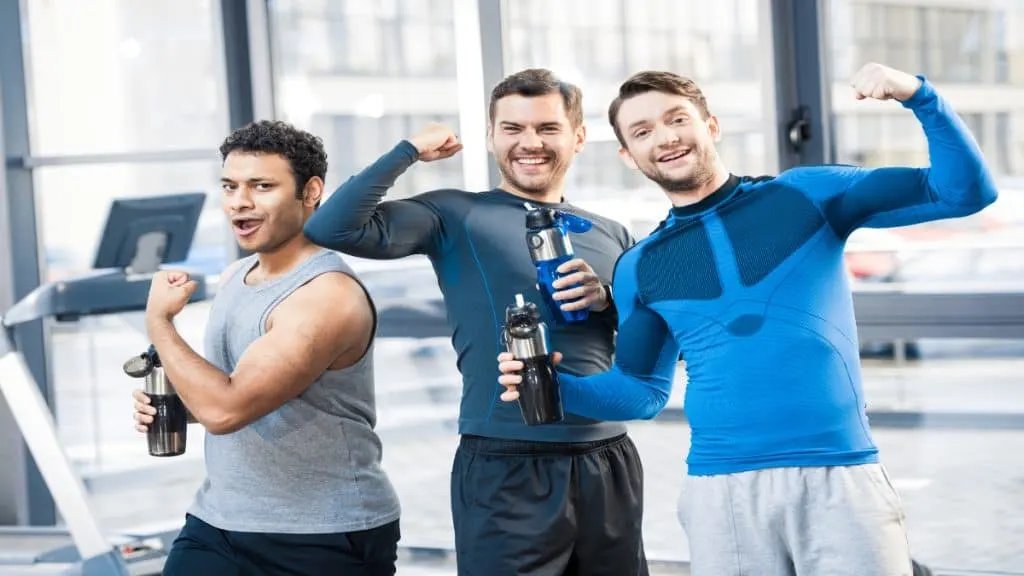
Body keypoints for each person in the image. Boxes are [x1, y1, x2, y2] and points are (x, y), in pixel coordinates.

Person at [496, 62, 998, 575]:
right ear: (628, 155)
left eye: (677, 120)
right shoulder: (639, 265)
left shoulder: (807, 195)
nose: (665, 138)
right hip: (722, 492)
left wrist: (918, 95)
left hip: (841, 476)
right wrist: (555, 387)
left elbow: (965, 192)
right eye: (643, 132)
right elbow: (640, 390)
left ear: (709, 125)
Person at [303, 69, 646, 576]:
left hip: (609, 459)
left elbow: (664, 342)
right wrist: (408, 151)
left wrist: (607, 299)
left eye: (547, 128)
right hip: (507, 463)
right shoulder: (454, 214)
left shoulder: (611, 232)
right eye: (512, 129)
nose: (529, 143)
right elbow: (331, 226)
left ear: (577, 137)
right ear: (491, 137)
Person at [131, 120, 402, 576]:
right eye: (230, 186)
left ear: (310, 191)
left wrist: (159, 321)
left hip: (321, 533)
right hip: (218, 520)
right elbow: (233, 393)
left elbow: (226, 410)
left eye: (262, 186)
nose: (240, 201)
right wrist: (182, 402)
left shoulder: (326, 295)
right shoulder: (237, 276)